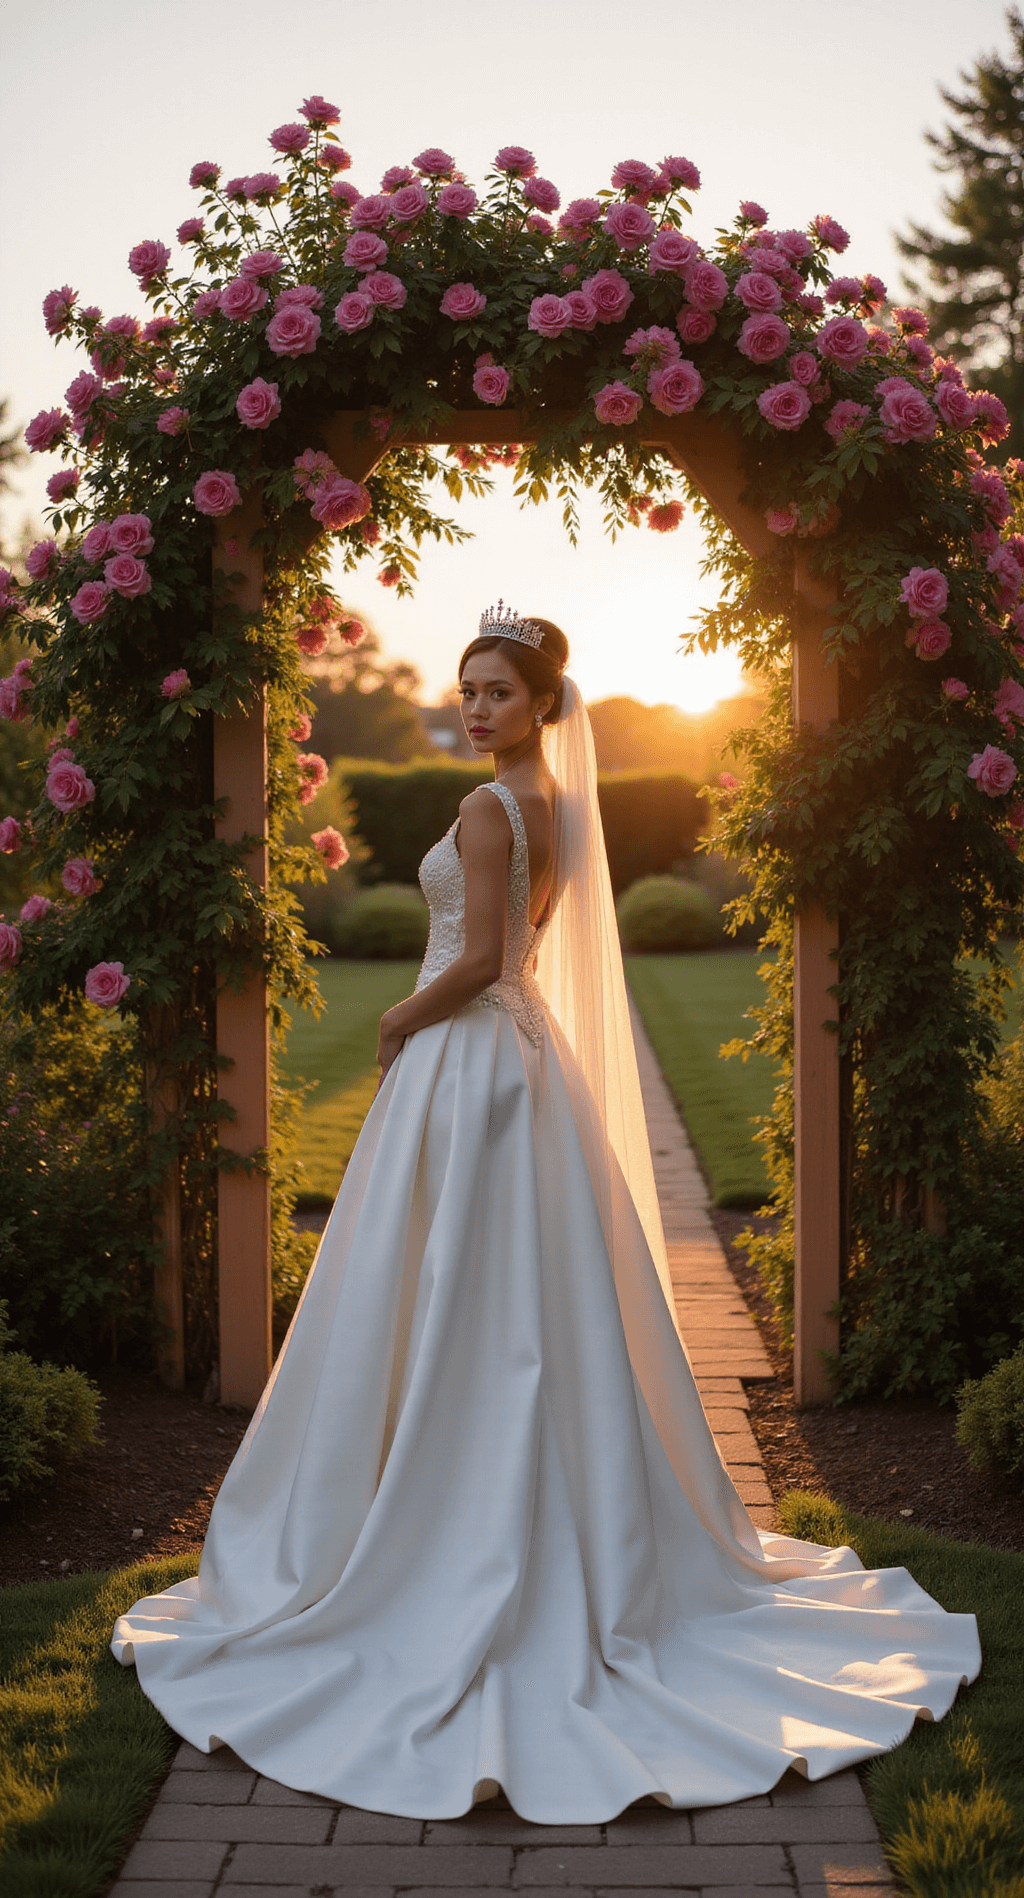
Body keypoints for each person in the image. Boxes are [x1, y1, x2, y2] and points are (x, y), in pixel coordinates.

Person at [112, 604, 980, 1824]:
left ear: (541, 706)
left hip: (469, 1052)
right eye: (466, 690)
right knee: (518, 1281)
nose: (474, 710)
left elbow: (479, 958)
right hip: (524, 1060)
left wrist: (399, 1020)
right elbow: (527, 943)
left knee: (449, 1275)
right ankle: (529, 1492)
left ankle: (439, 1506)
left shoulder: (483, 810)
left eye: (496, 693)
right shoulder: (559, 809)